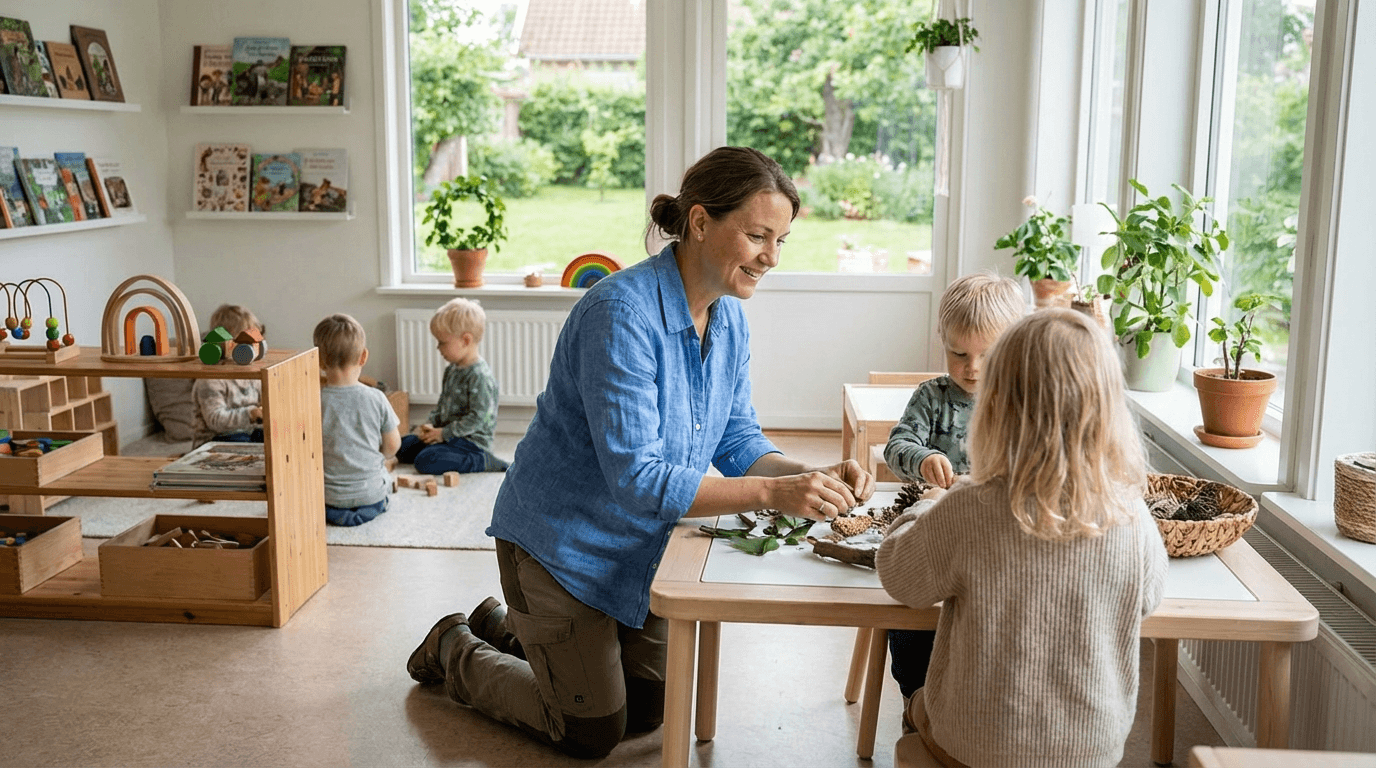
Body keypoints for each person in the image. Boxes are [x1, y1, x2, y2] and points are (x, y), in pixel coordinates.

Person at [405, 146, 876, 759]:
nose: (771, 257)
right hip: (558, 547)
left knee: (647, 714)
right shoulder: (618, 313)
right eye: (758, 236)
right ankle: (455, 647)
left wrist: (807, 474)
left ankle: (508, 625)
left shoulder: (728, 317)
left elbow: (736, 439)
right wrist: (772, 493)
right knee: (592, 732)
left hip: (639, 547)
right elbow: (638, 480)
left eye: (781, 240)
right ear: (701, 223)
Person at [876, 308, 1168, 767]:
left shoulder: (969, 507)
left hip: (976, 747)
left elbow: (899, 577)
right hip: (1091, 752)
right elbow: (1147, 599)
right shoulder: (1133, 517)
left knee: (917, 702)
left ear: (994, 406)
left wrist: (923, 505)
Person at [880, 271, 1024, 700]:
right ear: (942, 340)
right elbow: (896, 446)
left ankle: (973, 697)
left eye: (986, 354)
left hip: (999, 540)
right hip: (937, 530)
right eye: (958, 352)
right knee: (911, 612)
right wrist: (923, 459)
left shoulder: (1020, 400)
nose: (971, 367)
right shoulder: (933, 397)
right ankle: (915, 696)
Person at [394, 298, 508, 475]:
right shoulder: (452, 370)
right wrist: (431, 424)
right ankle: (437, 446)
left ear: (465, 340)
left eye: (442, 342)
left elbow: (477, 419)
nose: (438, 347)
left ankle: (483, 460)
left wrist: (443, 434)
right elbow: (443, 406)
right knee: (401, 446)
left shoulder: (480, 376)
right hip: (446, 436)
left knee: (426, 460)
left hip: (470, 443)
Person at [314, 313, 401, 527]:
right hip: (370, 495)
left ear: (318, 360)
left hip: (329, 498)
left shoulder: (314, 401)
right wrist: (381, 456)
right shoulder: (376, 397)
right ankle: (367, 508)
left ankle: (337, 513)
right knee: (382, 473)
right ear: (363, 357)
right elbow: (392, 445)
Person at [191, 304, 265, 447]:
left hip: (248, 433)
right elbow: (215, 420)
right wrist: (251, 413)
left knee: (274, 438)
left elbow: (263, 402)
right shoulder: (210, 379)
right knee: (244, 444)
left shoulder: (251, 375)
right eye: (248, 341)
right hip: (214, 439)